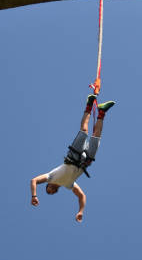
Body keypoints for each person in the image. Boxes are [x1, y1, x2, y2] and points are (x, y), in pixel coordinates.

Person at [30, 94, 116, 222]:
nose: (51, 191)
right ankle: (102, 111)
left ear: (48, 185)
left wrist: (34, 196)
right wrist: (80, 211)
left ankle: (89, 104)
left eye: (48, 190)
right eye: (52, 193)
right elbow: (82, 196)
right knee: (96, 136)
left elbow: (34, 180)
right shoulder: (69, 185)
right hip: (85, 162)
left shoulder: (50, 177)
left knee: (84, 130)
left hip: (74, 155)